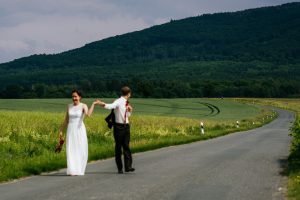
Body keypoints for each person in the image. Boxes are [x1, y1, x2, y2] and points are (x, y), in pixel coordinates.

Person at [96, 86, 135, 174]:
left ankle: (128, 167)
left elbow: (127, 116)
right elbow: (110, 106)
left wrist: (130, 111)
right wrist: (101, 103)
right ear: (129, 94)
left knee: (126, 146)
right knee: (118, 147)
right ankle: (120, 168)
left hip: (126, 126)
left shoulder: (126, 103)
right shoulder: (118, 101)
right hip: (118, 127)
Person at [59, 89, 97, 176]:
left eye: (75, 96)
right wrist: (61, 130)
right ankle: (72, 170)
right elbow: (66, 120)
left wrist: (93, 104)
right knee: (70, 149)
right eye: (72, 96)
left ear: (80, 97)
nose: (74, 98)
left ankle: (79, 169)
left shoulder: (83, 106)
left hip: (79, 130)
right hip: (71, 129)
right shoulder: (69, 106)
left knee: (80, 149)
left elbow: (88, 115)